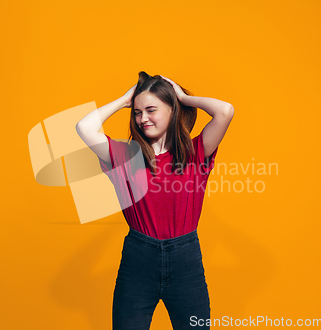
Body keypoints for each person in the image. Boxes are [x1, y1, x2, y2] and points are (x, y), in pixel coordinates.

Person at [76, 72, 234, 329]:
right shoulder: (125, 156)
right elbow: (84, 128)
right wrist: (124, 100)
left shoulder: (196, 152)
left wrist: (182, 97)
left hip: (187, 263)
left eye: (151, 110)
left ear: (173, 110)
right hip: (138, 261)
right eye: (137, 113)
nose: (142, 119)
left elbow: (225, 111)